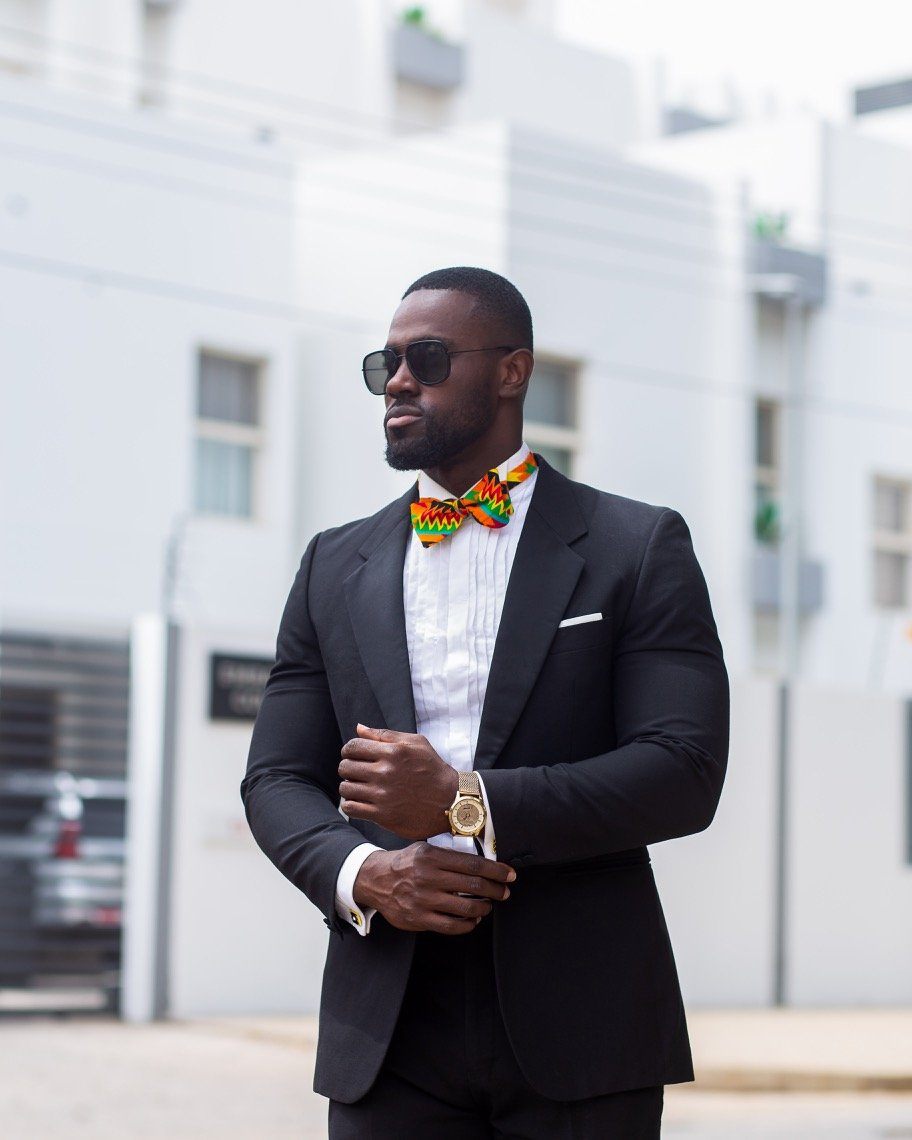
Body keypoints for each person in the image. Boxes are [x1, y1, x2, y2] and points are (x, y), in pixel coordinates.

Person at [240, 265, 730, 1138]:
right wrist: (365, 874)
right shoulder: (331, 564)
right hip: (385, 1026)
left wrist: (467, 801)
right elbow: (275, 777)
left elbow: (683, 770)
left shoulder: (636, 545)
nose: (396, 380)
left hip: (582, 1020)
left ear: (512, 371)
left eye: (426, 358)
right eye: (383, 363)